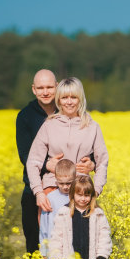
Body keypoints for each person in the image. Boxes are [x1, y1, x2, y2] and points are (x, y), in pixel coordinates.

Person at [16, 70, 93, 254]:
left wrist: (93, 165)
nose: (45, 92)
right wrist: (46, 166)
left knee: (74, 242)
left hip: (69, 189)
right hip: (35, 190)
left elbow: (88, 149)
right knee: (37, 243)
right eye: (40, 88)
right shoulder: (25, 116)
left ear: (57, 86)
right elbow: (26, 156)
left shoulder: (69, 108)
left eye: (49, 87)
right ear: (34, 90)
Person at [27, 77, 108, 215]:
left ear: (80, 99)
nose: (69, 102)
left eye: (74, 97)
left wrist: (95, 191)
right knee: (51, 235)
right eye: (64, 97)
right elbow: (33, 161)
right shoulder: (48, 125)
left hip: (82, 191)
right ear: (58, 100)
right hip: (53, 187)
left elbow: (102, 162)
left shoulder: (92, 127)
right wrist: (39, 193)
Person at [39, 159, 76, 257]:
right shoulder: (50, 198)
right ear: (55, 179)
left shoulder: (78, 197)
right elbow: (44, 226)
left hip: (73, 247)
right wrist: (44, 251)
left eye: (69, 183)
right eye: (61, 183)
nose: (65, 187)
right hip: (54, 248)